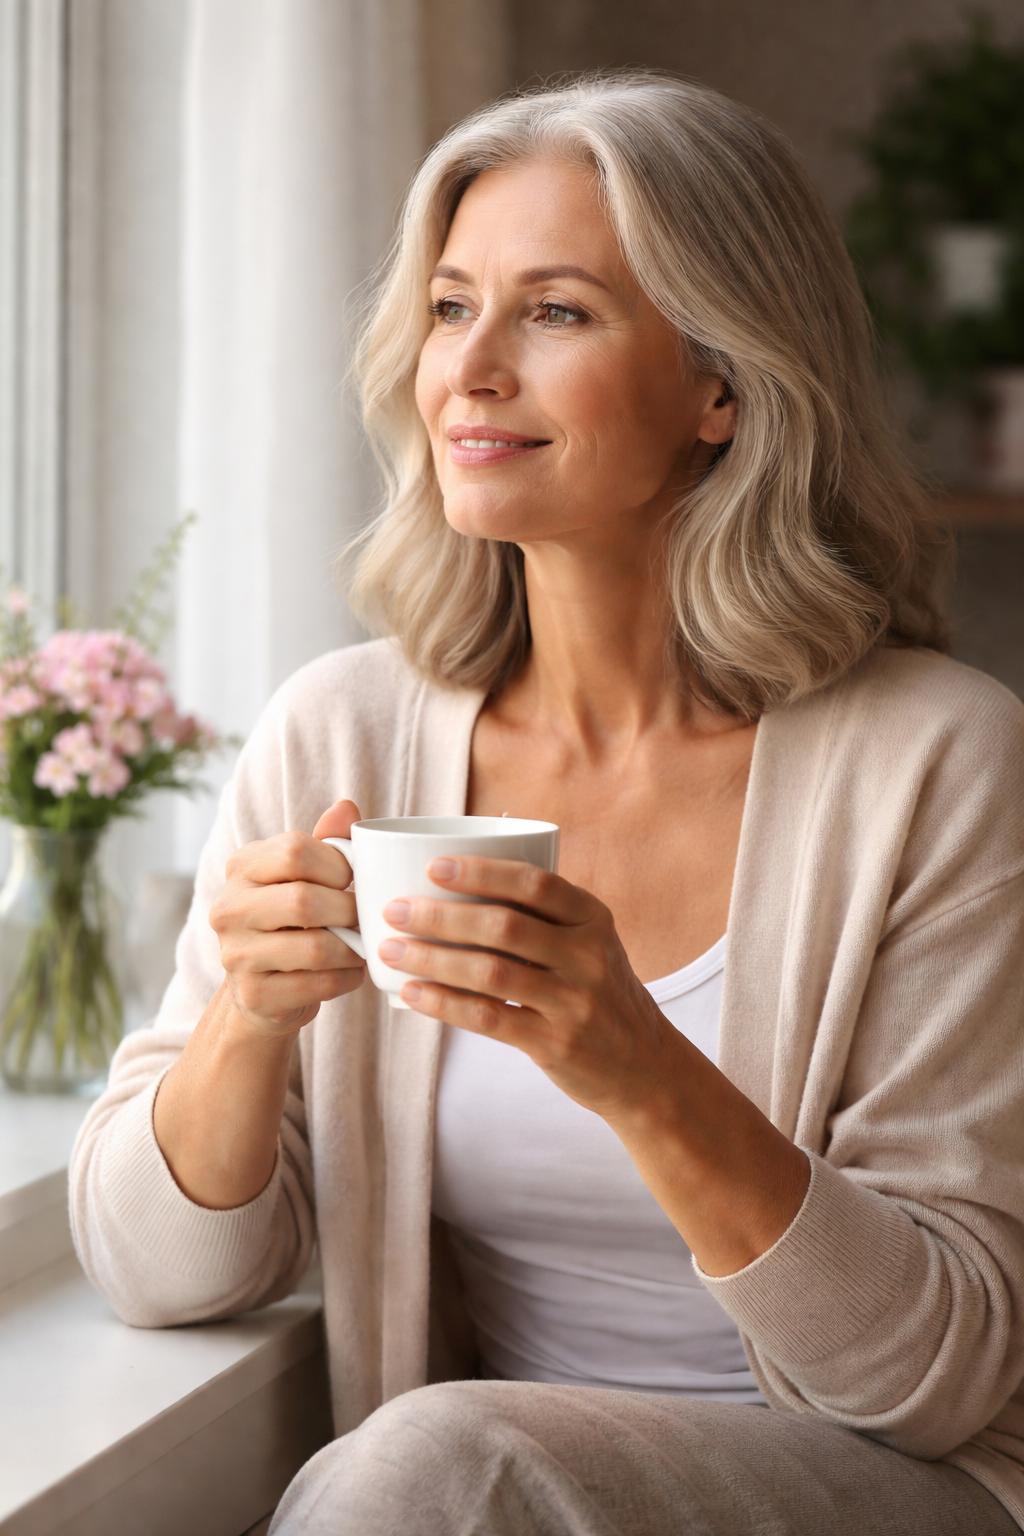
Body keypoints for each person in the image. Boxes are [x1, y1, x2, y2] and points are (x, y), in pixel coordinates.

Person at [71, 74, 1024, 1535]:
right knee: (439, 1466)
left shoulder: (938, 766)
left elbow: (940, 1372)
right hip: (499, 1497)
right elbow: (158, 1269)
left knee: (434, 1465)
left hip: (890, 1486)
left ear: (724, 383)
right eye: (451, 308)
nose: (471, 369)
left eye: (557, 312)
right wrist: (247, 1021)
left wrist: (639, 1065)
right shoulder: (345, 732)